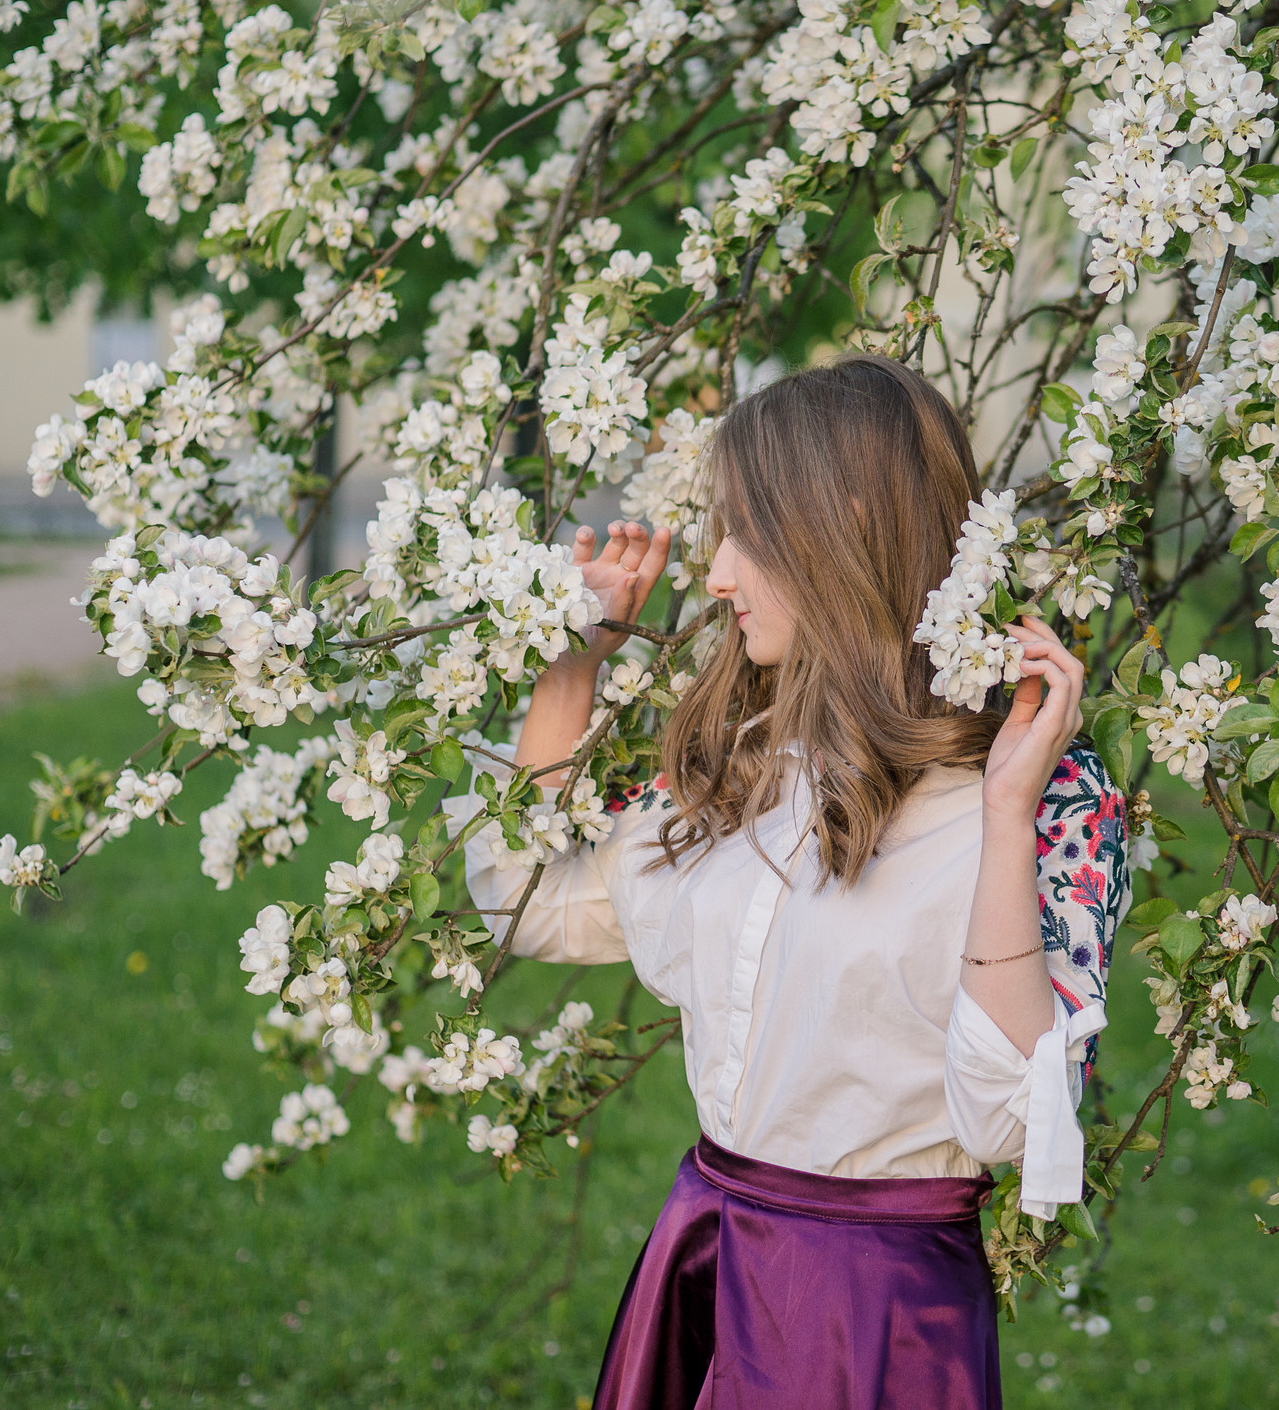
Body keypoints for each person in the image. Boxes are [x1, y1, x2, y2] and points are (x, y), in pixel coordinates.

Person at [462, 355, 1130, 1410]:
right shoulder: (746, 754)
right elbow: (526, 901)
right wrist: (569, 666)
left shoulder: (1041, 799)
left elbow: (1007, 1121)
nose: (716, 574)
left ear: (843, 527)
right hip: (705, 1256)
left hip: (871, 1317)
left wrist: (1007, 813)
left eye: (746, 534)